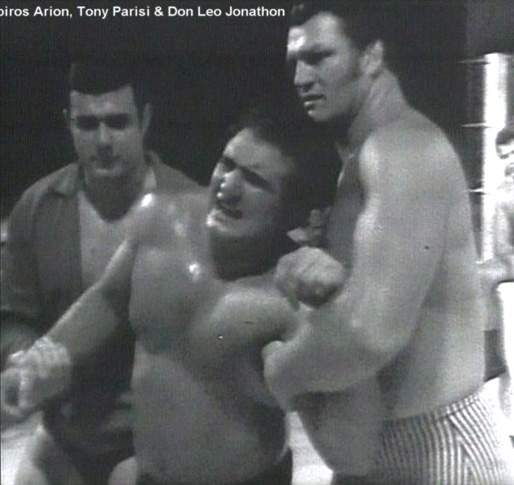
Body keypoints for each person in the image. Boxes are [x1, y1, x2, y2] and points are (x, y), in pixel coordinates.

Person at [1, 106, 338, 485]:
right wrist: (40, 362)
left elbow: (339, 434)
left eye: (255, 180)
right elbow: (107, 300)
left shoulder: (293, 297)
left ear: (291, 208)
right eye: (227, 164)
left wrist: (331, 297)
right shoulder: (160, 219)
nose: (227, 186)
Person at [263, 1, 514, 483]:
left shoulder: (402, 149)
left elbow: (366, 335)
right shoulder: (368, 154)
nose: (301, 77)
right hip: (393, 449)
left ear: (372, 56)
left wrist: (281, 369)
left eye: (319, 56)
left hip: (438, 448)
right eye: (295, 62)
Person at [1, 61, 196, 485]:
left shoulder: (189, 208)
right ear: (68, 124)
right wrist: (29, 358)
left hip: (156, 440)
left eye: (117, 122)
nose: (103, 141)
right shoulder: (36, 208)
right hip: (65, 435)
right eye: (87, 124)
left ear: (145, 120)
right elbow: (13, 318)